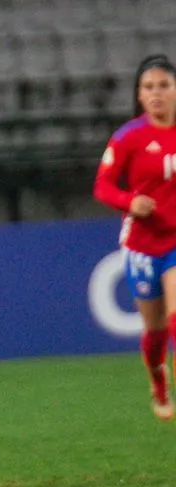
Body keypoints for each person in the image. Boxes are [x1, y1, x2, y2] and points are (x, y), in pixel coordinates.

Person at [94, 54, 176, 421]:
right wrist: (130, 202)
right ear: (139, 96)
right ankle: (158, 379)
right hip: (142, 245)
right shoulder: (129, 138)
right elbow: (103, 187)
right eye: (149, 87)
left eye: (164, 85)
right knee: (155, 330)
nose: (156, 93)